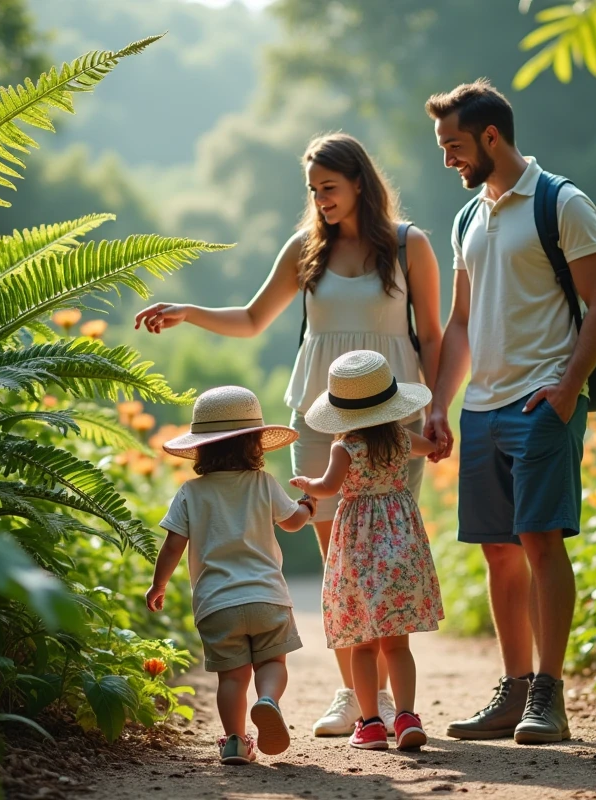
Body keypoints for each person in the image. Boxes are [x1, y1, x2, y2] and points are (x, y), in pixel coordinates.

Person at [134, 133, 443, 737]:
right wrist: (189, 311)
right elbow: (252, 319)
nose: (321, 199)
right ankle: (360, 697)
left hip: (391, 418)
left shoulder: (410, 246)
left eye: (330, 187)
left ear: (359, 183)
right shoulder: (306, 248)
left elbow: (430, 335)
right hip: (318, 418)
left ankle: (394, 703)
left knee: (385, 556)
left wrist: (437, 412)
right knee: (341, 569)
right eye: (313, 190)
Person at [423, 80, 596, 744]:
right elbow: (458, 323)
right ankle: (511, 693)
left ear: (490, 137)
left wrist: (567, 391)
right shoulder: (467, 218)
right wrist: (440, 405)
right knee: (499, 555)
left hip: (543, 400)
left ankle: (549, 697)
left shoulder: (562, 202)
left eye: (453, 146)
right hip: (481, 408)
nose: (447, 159)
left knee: (540, 543)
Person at [145, 386, 315, 766]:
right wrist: (307, 506)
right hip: (267, 597)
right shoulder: (264, 483)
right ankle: (268, 700)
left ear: (201, 449)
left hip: (217, 604)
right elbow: (292, 523)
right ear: (255, 445)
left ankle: (236, 741)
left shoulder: (190, 492)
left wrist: (159, 584)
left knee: (232, 678)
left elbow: (173, 545)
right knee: (272, 663)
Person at [290, 350, 443, 751]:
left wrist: (307, 483)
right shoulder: (398, 437)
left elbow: (328, 487)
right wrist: (438, 444)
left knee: (363, 641)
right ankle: (407, 717)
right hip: (400, 543)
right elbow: (427, 447)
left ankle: (371, 723)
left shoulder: (345, 448)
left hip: (359, 546)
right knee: (397, 642)